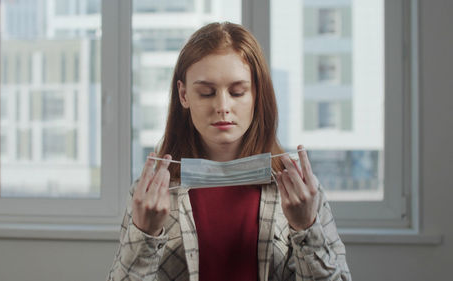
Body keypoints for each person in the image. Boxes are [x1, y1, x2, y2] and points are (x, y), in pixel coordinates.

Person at [107, 22, 351, 281]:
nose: (223, 106)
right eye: (206, 93)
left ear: (257, 94)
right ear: (184, 94)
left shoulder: (302, 191)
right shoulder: (149, 195)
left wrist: (306, 228)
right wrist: (144, 234)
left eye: (237, 92)